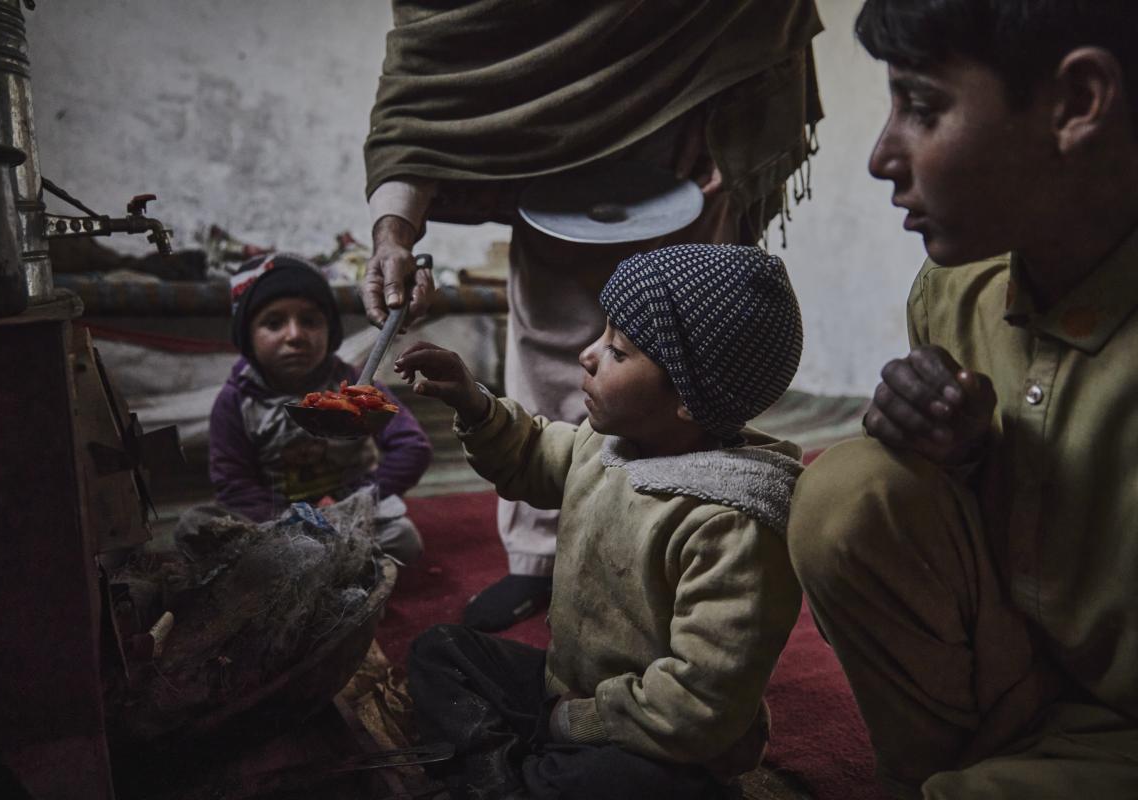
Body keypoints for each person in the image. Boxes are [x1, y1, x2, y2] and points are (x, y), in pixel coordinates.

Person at [361, 1, 824, 631]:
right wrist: (396, 236)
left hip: (692, 122)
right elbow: (429, 71)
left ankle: (665, 535)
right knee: (559, 348)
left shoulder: (749, 524)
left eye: (612, 347)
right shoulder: (475, 24)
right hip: (546, 149)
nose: (589, 351)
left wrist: (738, 127)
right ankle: (540, 556)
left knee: (683, 347)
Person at [786, 2, 1138, 798]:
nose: (881, 156)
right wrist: (965, 456)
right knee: (851, 489)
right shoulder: (955, 293)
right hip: (1022, 690)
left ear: (1078, 103)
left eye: (922, 106)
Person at [395, 245, 805, 799]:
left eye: (618, 351)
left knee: (615, 782)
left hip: (659, 741)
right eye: (602, 335)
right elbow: (532, 455)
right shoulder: (610, 444)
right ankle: (509, 777)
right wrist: (473, 402)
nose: (588, 354)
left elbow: (699, 705)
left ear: (688, 397)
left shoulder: (732, 520)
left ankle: (504, 774)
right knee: (440, 651)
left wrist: (574, 723)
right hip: (567, 693)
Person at [208, 254, 432, 563]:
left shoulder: (359, 387)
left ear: (331, 331)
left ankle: (327, 560)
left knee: (403, 539)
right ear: (246, 336)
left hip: (352, 510)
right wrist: (284, 521)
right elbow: (233, 482)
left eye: (310, 321)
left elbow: (413, 448)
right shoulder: (235, 401)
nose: (295, 335)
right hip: (276, 521)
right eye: (274, 323)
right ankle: (333, 560)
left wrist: (354, 497)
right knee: (195, 526)